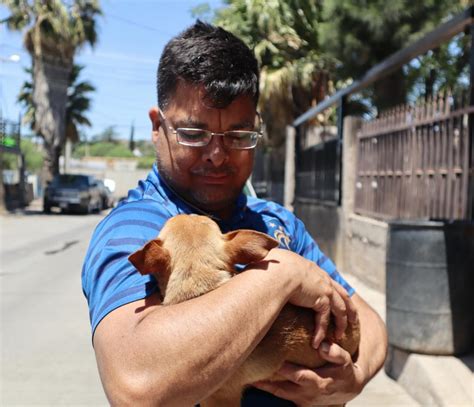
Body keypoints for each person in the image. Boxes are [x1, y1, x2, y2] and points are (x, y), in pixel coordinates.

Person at [82, 21, 387, 406]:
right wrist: (285, 276)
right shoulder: (137, 228)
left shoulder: (275, 222)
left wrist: (350, 379)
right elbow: (136, 386)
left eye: (239, 136)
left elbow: (372, 327)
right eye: (194, 134)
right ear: (158, 128)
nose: (217, 154)